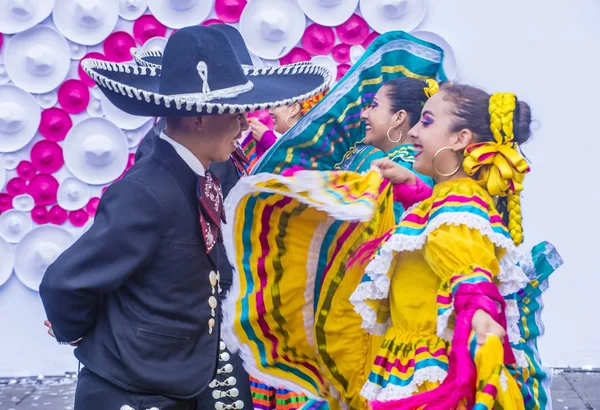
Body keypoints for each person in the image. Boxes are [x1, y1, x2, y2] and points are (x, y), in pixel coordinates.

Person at [221, 81, 563, 410]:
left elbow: (469, 270)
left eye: (427, 122)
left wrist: (481, 316)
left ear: (461, 138)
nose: (414, 131)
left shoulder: (459, 210)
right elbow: (443, 233)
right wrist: (416, 189)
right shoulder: (450, 201)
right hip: (410, 361)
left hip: (428, 379)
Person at [39, 25, 329, 410]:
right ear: (199, 118)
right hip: (136, 388)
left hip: (179, 378)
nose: (245, 124)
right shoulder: (146, 191)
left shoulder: (195, 173)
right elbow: (65, 283)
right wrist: (84, 334)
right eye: (235, 113)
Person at [242, 91, 327, 172]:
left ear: (294, 109)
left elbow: (299, 176)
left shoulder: (318, 146)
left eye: (276, 104)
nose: (270, 111)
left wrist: (270, 143)